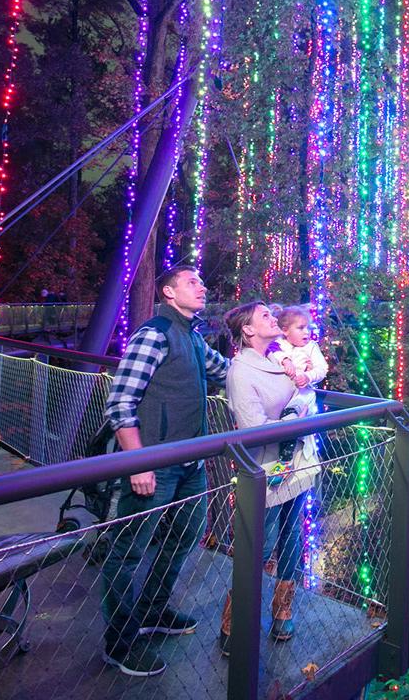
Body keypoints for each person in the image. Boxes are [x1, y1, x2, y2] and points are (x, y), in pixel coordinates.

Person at [99, 266, 230, 678]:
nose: (203, 286)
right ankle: (119, 644)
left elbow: (228, 371)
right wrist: (138, 462)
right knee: (127, 551)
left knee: (183, 537)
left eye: (202, 282)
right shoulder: (154, 333)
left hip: (190, 463)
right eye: (193, 282)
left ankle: (153, 611)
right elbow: (120, 402)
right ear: (169, 293)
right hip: (154, 463)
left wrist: (287, 363)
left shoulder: (191, 336)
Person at [218, 302, 321, 654]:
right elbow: (253, 428)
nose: (272, 319)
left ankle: (283, 607)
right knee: (260, 544)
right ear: (248, 330)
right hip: (268, 471)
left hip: (299, 463)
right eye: (264, 316)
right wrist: (295, 418)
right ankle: (236, 618)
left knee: (293, 536)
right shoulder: (241, 371)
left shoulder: (280, 358)